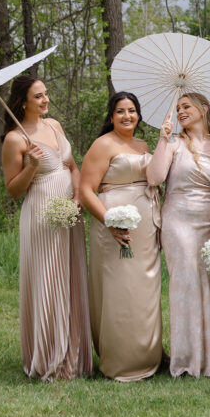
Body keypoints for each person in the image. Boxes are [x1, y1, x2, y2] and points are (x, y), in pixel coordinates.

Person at [1, 75, 91, 381]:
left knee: (70, 276)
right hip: (41, 215)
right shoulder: (15, 139)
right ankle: (49, 355)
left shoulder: (54, 126)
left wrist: (78, 198)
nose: (45, 100)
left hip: (69, 214)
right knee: (48, 281)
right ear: (22, 101)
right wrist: (31, 167)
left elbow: (73, 167)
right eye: (38, 96)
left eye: (46, 94)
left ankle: (74, 356)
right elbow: (13, 190)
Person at [80, 92, 162, 382]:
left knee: (145, 287)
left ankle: (148, 353)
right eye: (120, 111)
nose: (127, 116)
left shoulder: (143, 144)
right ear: (111, 116)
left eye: (132, 111)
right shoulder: (102, 145)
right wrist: (109, 222)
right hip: (114, 227)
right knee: (119, 288)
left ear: (139, 114)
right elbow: (86, 190)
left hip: (145, 227)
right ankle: (120, 360)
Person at [147, 93, 210, 378]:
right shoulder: (174, 143)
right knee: (187, 284)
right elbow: (154, 178)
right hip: (178, 221)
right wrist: (161, 139)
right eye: (178, 108)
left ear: (204, 108)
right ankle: (188, 359)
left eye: (186, 107)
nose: (180, 111)